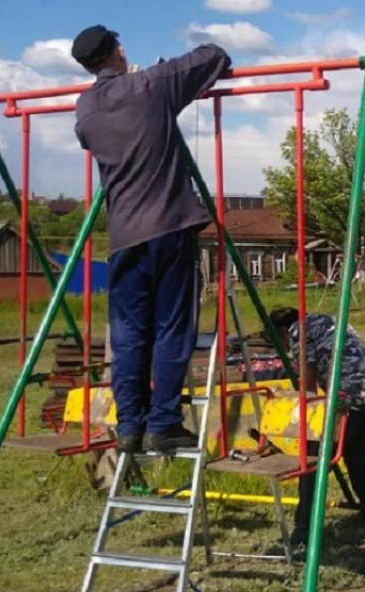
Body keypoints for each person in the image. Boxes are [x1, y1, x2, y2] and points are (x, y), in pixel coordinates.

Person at [70, 25, 231, 453]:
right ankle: (163, 423)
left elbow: (89, 137)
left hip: (124, 235)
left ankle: (129, 427)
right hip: (169, 226)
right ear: (119, 50)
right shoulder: (149, 84)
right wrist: (155, 73)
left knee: (127, 335)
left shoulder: (85, 109)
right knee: (172, 328)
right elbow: (213, 55)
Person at [268, 307, 365, 546]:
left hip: (346, 396)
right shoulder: (330, 320)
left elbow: (308, 386)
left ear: (281, 330)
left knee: (314, 458)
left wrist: (297, 412)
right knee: (355, 450)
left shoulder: (298, 331)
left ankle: (304, 530)